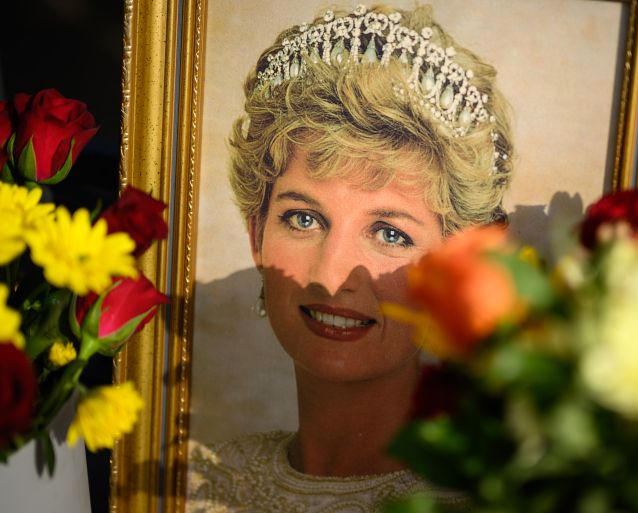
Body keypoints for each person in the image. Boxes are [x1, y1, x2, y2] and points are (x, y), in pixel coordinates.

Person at [186, 4, 513, 512]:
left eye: (389, 233)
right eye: (304, 219)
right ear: (256, 236)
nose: (332, 275)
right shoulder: (196, 483)